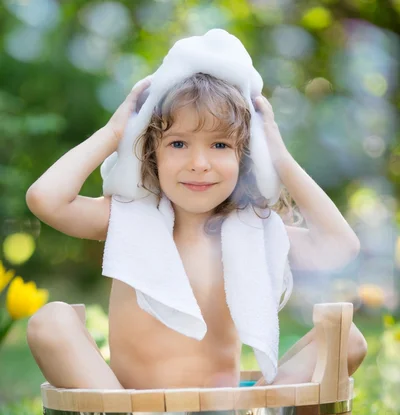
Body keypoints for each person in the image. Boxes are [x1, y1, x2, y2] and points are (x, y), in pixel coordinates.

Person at [25, 73, 368, 390]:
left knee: (346, 339)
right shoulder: (129, 220)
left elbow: (340, 246)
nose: (199, 163)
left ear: (245, 157)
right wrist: (115, 133)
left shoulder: (251, 231)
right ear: (152, 154)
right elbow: (46, 199)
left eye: (219, 145)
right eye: (178, 144)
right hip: (130, 413)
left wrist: (278, 156)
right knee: (50, 321)